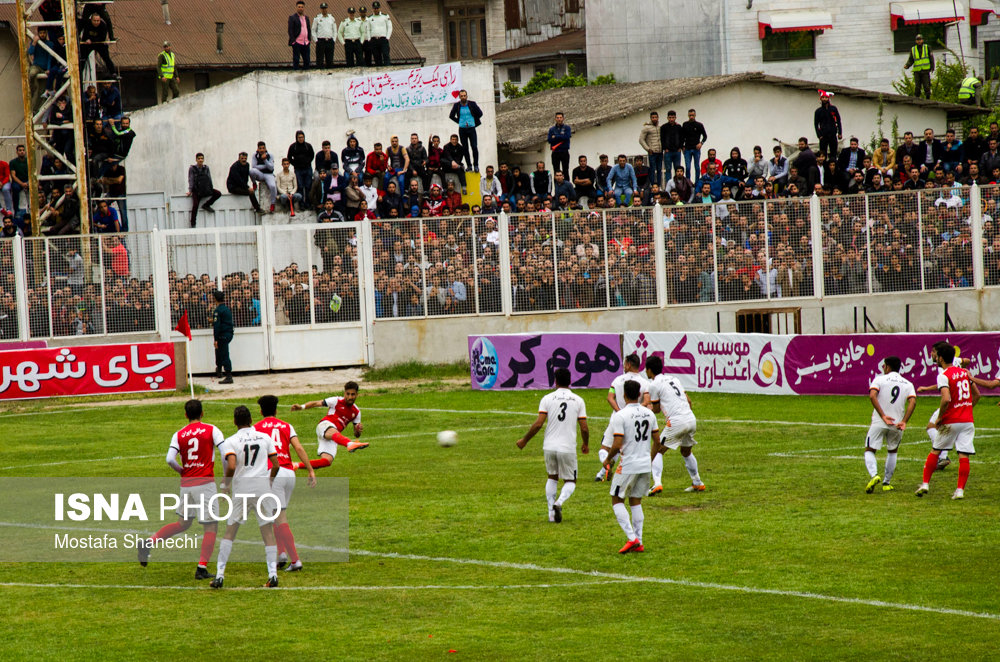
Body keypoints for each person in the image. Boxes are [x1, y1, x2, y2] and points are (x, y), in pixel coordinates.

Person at [137, 399, 225, 579]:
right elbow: (224, 453)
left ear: (186, 415)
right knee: (211, 526)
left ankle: (149, 542)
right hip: (205, 484)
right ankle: (201, 568)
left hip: (187, 485)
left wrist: (182, 471)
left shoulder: (179, 434)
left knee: (183, 523)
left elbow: (170, 459)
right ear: (202, 413)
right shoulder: (212, 430)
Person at [210, 406, 281, 589]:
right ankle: (272, 575)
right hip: (262, 488)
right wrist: (269, 481)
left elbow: (232, 466)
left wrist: (225, 485)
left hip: (242, 490)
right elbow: (276, 464)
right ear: (251, 419)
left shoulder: (231, 441)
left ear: (234, 421)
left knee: (230, 532)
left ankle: (219, 575)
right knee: (267, 532)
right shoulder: (264, 437)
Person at [515, 367, 589, 523]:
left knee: (552, 477)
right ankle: (559, 502)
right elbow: (584, 427)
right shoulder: (578, 400)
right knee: (570, 481)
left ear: (555, 381)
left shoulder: (547, 399)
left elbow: (538, 424)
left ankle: (551, 514)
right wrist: (585, 444)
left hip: (549, 446)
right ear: (570, 381)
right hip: (567, 447)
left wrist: (524, 440)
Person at [254, 395, 316, 573]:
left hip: (273, 473)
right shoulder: (286, 426)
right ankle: (281, 555)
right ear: (276, 410)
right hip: (289, 473)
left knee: (279, 518)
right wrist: (310, 470)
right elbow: (298, 448)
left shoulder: (256, 429)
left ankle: (295, 560)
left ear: (260, 411)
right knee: (276, 513)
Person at [605, 379, 658, 554]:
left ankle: (631, 538)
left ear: (624, 395)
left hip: (628, 464)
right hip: (644, 464)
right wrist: (649, 459)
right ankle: (639, 541)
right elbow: (657, 441)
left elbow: (617, 442)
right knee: (635, 500)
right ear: (639, 395)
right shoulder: (650, 414)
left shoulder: (620, 415)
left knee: (616, 498)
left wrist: (608, 459)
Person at [644, 355, 705, 495]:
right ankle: (697, 482)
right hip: (690, 418)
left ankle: (657, 483)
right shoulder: (674, 379)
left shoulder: (653, 385)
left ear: (649, 370)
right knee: (686, 451)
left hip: (677, 421)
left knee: (658, 448)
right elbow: (689, 401)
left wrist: (647, 408)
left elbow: (657, 409)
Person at [863, 356, 916, 494]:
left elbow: (872, 395)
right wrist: (904, 421)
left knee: (870, 449)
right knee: (892, 451)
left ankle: (874, 475)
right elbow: (913, 402)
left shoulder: (879, 379)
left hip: (880, 421)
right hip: (897, 423)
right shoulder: (908, 383)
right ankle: (886, 483)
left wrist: (883, 415)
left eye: (884, 366)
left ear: (887, 367)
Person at [290, 381, 370, 471]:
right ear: (344, 393)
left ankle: (295, 465)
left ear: (357, 395)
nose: (350, 397)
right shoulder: (336, 400)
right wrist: (302, 407)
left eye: (353, 394)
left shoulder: (356, 412)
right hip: (325, 425)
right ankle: (349, 443)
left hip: (334, 436)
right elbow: (316, 403)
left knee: (327, 461)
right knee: (334, 431)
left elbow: (356, 435)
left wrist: (358, 430)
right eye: (348, 394)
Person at [595, 353, 649, 481]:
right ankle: (603, 472)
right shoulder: (645, 383)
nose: (624, 366)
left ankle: (604, 470)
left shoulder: (617, 380)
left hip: (617, 418)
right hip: (635, 419)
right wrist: (637, 409)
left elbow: (610, 397)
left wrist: (619, 411)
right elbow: (647, 401)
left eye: (625, 364)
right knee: (623, 448)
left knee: (604, 449)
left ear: (629, 364)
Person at [448, 90, 482, 173]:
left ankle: (476, 165)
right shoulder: (457, 105)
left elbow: (480, 113)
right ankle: (469, 165)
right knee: (465, 148)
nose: (463, 97)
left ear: (467, 96)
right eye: (461, 96)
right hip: (462, 129)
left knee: (474, 146)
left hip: (471, 128)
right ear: (459, 97)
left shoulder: (472, 104)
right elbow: (451, 116)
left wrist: (473, 120)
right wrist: (459, 121)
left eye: (464, 95)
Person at [187, 153, 221, 227]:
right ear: (196, 159)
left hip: (205, 188)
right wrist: (190, 190)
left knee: (218, 193)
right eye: (199, 158)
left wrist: (210, 187)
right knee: (195, 205)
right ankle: (193, 223)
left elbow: (209, 178)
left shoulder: (206, 168)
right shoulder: (192, 168)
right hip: (197, 190)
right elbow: (191, 179)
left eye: (202, 158)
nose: (200, 160)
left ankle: (206, 205)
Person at [212, 289, 234, 384]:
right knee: (220, 352)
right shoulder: (226, 308)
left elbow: (217, 326)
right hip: (228, 333)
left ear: (215, 299)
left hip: (222, 335)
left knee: (224, 354)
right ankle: (219, 371)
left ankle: (229, 376)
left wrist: (216, 339)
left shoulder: (217, 311)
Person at [903, 33, 934, 99]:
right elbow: (911, 59)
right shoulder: (913, 49)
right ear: (915, 41)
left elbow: (931, 58)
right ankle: (917, 99)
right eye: (917, 40)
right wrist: (907, 65)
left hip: (925, 70)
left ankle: (928, 99)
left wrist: (932, 67)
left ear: (922, 40)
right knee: (917, 87)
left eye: (920, 39)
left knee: (927, 86)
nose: (919, 41)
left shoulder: (927, 47)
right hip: (917, 71)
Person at [814, 91, 842, 161]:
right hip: (823, 136)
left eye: (826, 97)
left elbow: (838, 121)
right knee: (822, 154)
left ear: (828, 98)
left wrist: (840, 133)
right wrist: (819, 135)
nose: (824, 99)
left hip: (833, 135)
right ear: (820, 99)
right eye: (823, 97)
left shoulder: (833, 109)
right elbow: (816, 124)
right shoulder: (818, 111)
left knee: (833, 153)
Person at [287, 130, 315, 199]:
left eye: (302, 137)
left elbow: (312, 155)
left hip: (308, 168)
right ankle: (301, 204)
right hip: (298, 169)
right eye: (299, 137)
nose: (301, 139)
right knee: (300, 186)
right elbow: (289, 157)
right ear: (296, 138)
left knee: (308, 186)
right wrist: (295, 164)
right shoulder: (293, 147)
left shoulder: (308, 146)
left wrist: (308, 162)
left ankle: (308, 203)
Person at [250, 141, 277, 213]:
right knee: (252, 171)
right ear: (258, 149)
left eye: (263, 148)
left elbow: (271, 168)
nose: (262, 150)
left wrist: (265, 160)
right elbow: (254, 166)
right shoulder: (255, 155)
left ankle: (272, 204)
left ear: (265, 148)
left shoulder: (270, 155)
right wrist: (266, 166)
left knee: (273, 186)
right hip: (260, 174)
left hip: (269, 174)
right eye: (260, 148)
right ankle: (254, 183)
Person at [681, 108, 707, 180]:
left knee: (697, 167)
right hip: (687, 148)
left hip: (696, 148)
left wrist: (701, 143)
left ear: (695, 115)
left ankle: (697, 181)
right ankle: (688, 181)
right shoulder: (685, 124)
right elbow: (682, 137)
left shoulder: (699, 125)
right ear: (688, 115)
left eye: (692, 115)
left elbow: (705, 136)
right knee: (688, 167)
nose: (691, 117)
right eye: (690, 115)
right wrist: (682, 146)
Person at [288, 0, 312, 70]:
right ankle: (296, 74)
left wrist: (309, 39)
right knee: (296, 59)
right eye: (299, 7)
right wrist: (293, 41)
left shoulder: (306, 18)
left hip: (306, 42)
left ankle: (306, 73)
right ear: (296, 8)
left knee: (307, 60)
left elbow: (308, 29)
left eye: (302, 7)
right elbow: (290, 30)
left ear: (304, 8)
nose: (300, 8)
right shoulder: (292, 18)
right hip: (297, 42)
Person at [547, 112, 571, 179]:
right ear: (555, 119)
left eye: (560, 117)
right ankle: (557, 188)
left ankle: (566, 187)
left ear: (563, 118)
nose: (559, 119)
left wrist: (556, 137)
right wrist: (560, 137)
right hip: (555, 152)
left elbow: (566, 137)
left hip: (564, 151)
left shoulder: (567, 128)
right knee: (556, 171)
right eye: (557, 118)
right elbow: (549, 140)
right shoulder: (552, 129)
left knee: (565, 170)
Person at [367, 1, 392, 66]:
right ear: (372, 9)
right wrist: (369, 39)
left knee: (385, 55)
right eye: (374, 8)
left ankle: (387, 70)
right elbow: (368, 29)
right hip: (374, 40)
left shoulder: (385, 16)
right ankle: (379, 72)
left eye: (377, 8)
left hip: (383, 39)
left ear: (379, 8)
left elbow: (390, 27)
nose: (376, 10)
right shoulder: (370, 18)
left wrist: (387, 37)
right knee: (376, 57)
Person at [313, 3, 337, 68]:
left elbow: (335, 30)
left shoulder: (331, 18)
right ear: (321, 9)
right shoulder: (317, 18)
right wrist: (316, 40)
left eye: (325, 8)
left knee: (330, 60)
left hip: (329, 41)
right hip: (321, 41)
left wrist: (333, 40)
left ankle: (330, 75)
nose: (324, 10)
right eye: (322, 8)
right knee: (320, 61)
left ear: (327, 8)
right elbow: (313, 30)